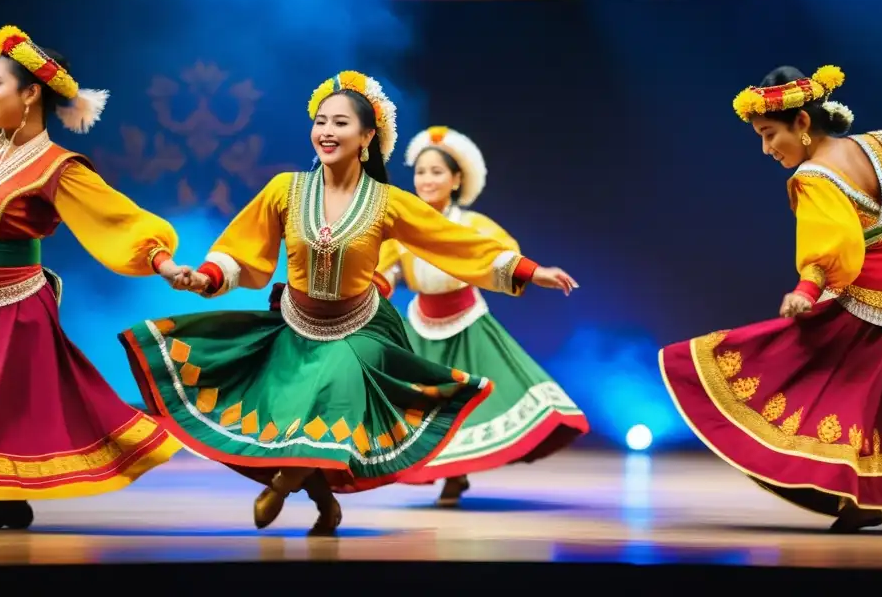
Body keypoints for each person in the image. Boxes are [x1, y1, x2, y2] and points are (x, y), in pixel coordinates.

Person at [118, 71, 578, 536]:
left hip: (361, 331)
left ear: (367, 137)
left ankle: (281, 485)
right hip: (297, 326)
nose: (327, 132)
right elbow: (242, 249)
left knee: (329, 403)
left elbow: (454, 243)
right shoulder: (285, 190)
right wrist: (205, 276)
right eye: (321, 122)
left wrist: (529, 270)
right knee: (294, 424)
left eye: (340, 123)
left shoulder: (386, 202)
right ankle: (325, 505)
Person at [660, 63, 882, 533]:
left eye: (769, 134)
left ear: (802, 123)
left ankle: (857, 499)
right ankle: (860, 502)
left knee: (817, 383)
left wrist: (806, 289)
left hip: (870, 301)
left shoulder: (815, 176)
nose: (767, 148)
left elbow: (830, 242)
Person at [0, 25, 183, 532]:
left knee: (1, 411)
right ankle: (10, 499)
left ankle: (10, 496)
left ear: (30, 94)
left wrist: (162, 260)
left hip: (14, 307)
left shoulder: (55, 167)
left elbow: (117, 217)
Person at [363, 126, 589, 506]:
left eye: (437, 171)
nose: (427, 179)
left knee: (470, 402)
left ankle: (455, 475)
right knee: (422, 405)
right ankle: (444, 471)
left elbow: (496, 257)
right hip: (420, 326)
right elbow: (384, 274)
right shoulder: (402, 227)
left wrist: (535, 272)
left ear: (455, 180)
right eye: (421, 172)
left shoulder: (473, 226)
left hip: (467, 325)